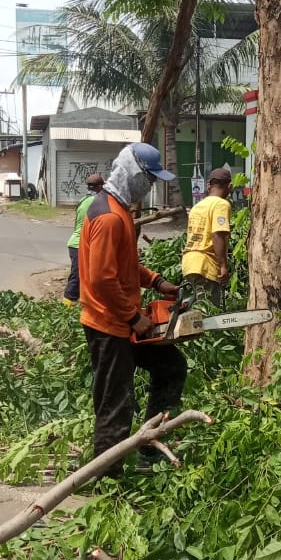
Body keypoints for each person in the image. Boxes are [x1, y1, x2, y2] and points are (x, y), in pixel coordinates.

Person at [79, 141, 187, 475]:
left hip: (122, 320)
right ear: (132, 174)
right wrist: (133, 317)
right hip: (108, 324)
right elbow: (102, 279)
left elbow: (126, 266)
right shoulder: (110, 218)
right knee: (115, 404)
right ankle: (107, 485)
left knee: (170, 367)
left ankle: (150, 452)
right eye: (149, 178)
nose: (151, 185)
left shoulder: (121, 211)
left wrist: (157, 282)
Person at [182, 167, 232, 305]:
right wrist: (223, 265)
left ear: (208, 186)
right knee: (208, 313)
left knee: (196, 310)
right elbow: (217, 235)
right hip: (206, 265)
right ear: (230, 186)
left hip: (189, 263)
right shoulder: (221, 204)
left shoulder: (197, 206)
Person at [63, 173, 104, 304]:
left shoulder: (84, 199)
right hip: (79, 244)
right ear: (99, 187)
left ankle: (80, 303)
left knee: (84, 276)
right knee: (77, 276)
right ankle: (66, 306)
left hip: (78, 242)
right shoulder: (97, 201)